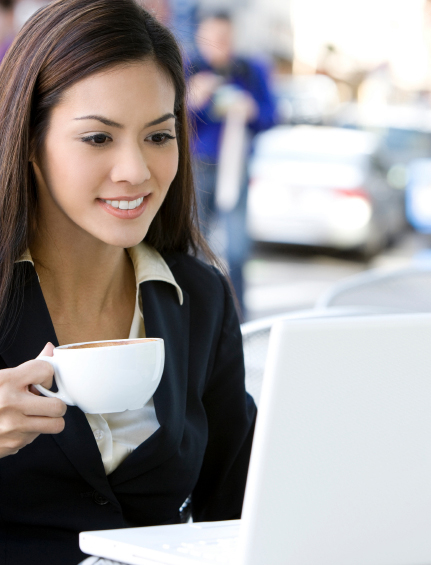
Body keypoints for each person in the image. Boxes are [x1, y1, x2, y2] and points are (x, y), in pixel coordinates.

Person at [0, 1, 256, 564]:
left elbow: (240, 505)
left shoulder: (199, 297)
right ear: (29, 140)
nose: (136, 172)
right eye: (97, 138)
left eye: (159, 136)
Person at [188, 11, 277, 317]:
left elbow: (271, 115)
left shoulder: (250, 72)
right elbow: (167, 123)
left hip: (236, 166)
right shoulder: (189, 71)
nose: (218, 46)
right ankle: (196, 312)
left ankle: (238, 315)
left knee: (238, 247)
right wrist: (191, 102)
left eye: (223, 39)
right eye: (210, 39)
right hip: (197, 168)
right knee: (195, 245)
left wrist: (251, 110)